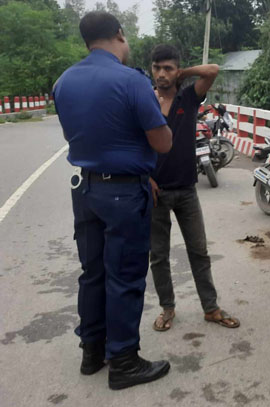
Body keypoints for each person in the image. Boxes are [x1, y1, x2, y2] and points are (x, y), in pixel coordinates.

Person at [53, 12, 173, 390]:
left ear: (86, 40)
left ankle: (92, 351)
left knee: (93, 273)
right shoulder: (131, 80)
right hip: (122, 193)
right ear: (119, 34)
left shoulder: (63, 82)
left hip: (84, 189)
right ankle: (123, 360)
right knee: (124, 276)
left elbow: (76, 135)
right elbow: (163, 142)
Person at [148, 44, 240, 331]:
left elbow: (213, 70)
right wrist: (144, 176)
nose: (161, 74)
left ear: (177, 71)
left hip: (187, 190)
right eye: (157, 68)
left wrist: (182, 74)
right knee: (159, 256)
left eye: (168, 68)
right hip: (155, 192)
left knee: (199, 251)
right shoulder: (145, 100)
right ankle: (167, 309)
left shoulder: (188, 97)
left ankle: (210, 308)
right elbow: (133, 142)